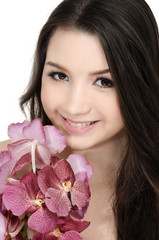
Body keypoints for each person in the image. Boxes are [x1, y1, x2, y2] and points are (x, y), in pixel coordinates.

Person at [1, 0, 159, 239]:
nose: (74, 106)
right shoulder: (7, 172)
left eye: (104, 81)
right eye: (59, 75)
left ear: (140, 83)